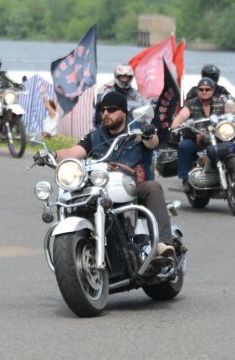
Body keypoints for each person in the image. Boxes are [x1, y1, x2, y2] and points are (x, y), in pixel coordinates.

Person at [52, 90, 178, 259]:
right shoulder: (95, 136)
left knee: (153, 187)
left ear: (124, 112)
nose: (105, 113)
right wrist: (52, 154)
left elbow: (152, 142)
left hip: (133, 184)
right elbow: (73, 152)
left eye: (111, 109)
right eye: (103, 110)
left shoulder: (137, 131)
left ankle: (163, 243)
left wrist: (149, 132)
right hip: (103, 186)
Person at [171, 77, 235, 190]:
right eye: (201, 89)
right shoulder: (191, 104)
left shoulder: (219, 102)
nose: (204, 92)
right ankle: (186, 180)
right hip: (196, 137)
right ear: (198, 90)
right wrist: (175, 125)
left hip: (218, 136)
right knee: (185, 146)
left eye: (207, 89)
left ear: (212, 90)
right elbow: (181, 116)